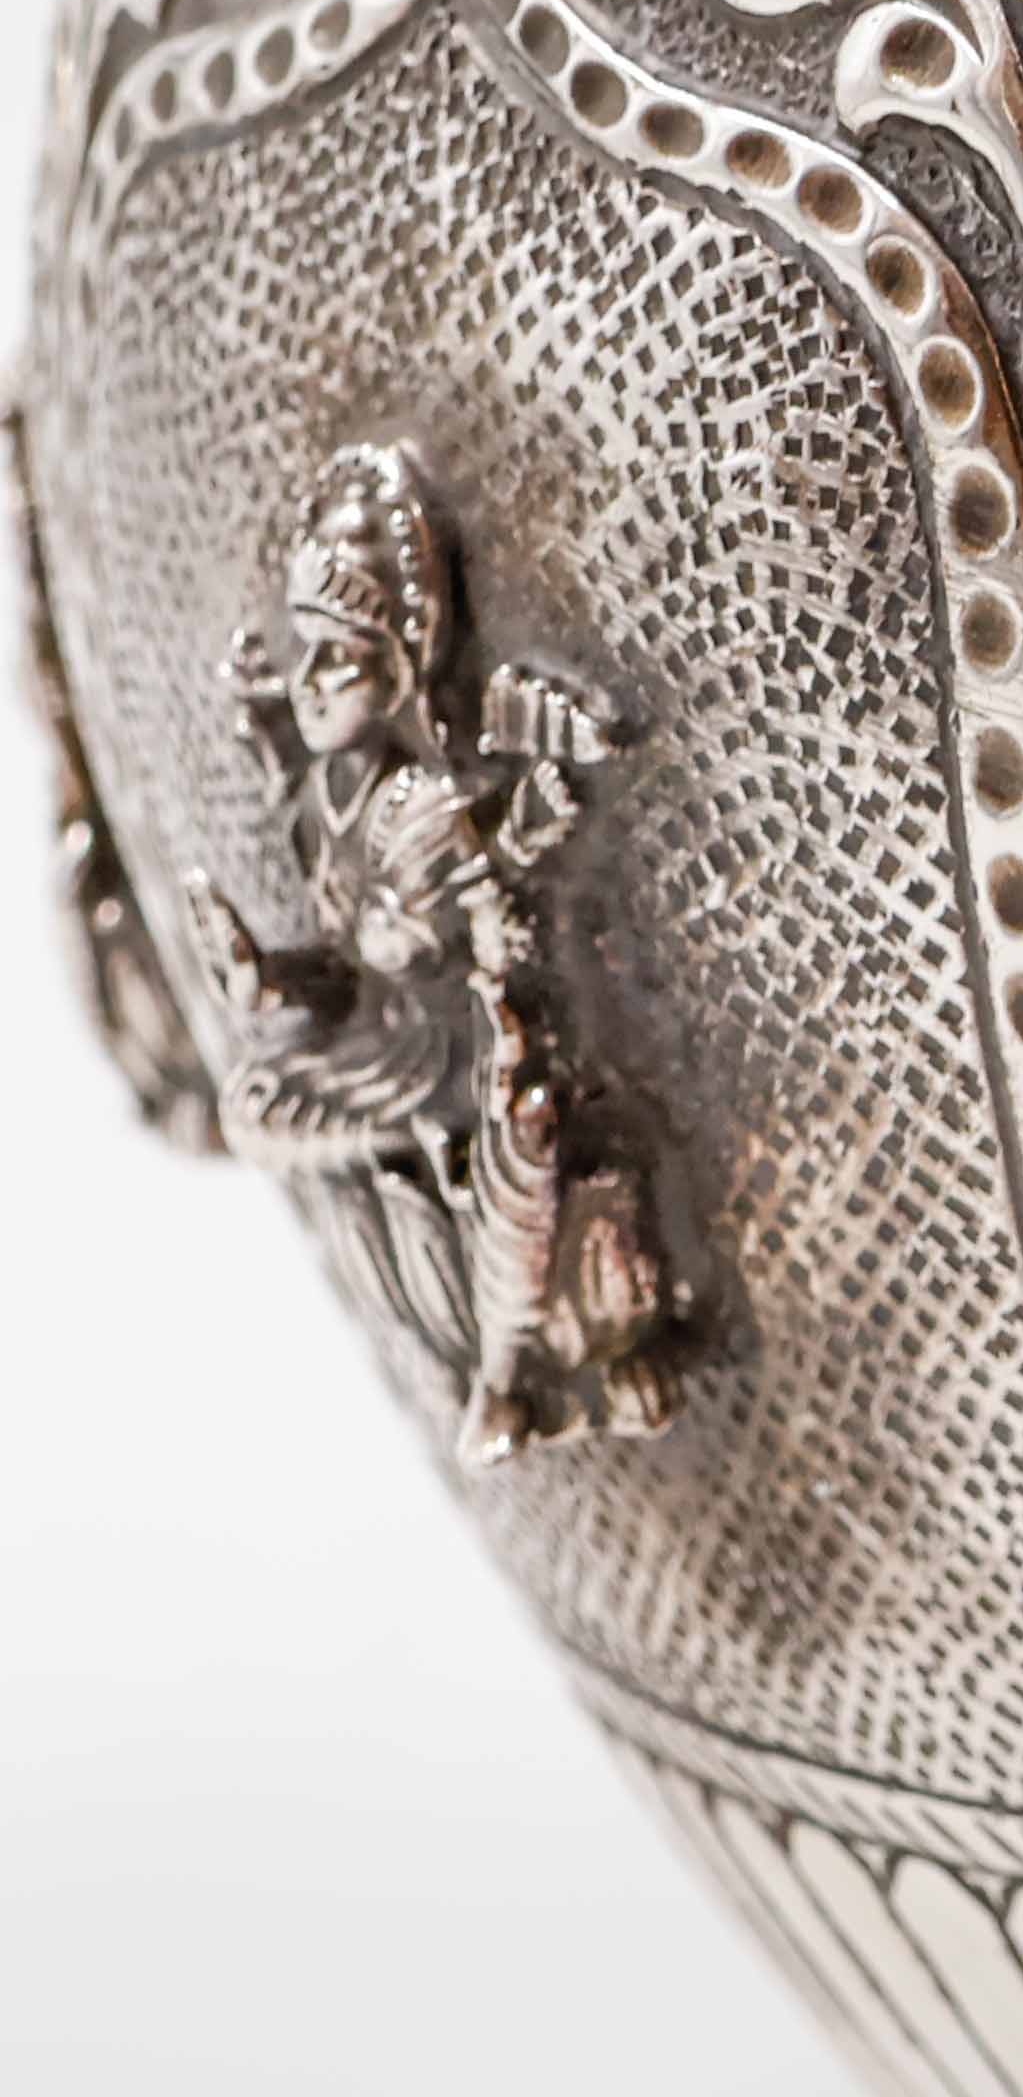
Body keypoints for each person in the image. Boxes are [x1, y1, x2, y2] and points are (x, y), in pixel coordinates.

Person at [187, 445, 674, 1466]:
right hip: (383, 1046)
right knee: (255, 1106)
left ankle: (507, 1377)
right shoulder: (322, 801)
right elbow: (348, 966)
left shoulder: (422, 810)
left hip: (450, 1051)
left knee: (520, 1151)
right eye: (306, 651)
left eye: (340, 658)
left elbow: (463, 933)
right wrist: (265, 979)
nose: (312, 682)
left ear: (399, 671)